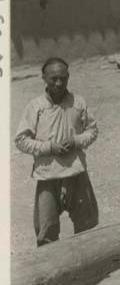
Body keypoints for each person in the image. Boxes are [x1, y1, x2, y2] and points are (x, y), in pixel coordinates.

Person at [15, 57, 99, 246]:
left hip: (76, 173)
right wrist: (49, 147)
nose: (59, 83)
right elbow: (21, 140)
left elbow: (93, 130)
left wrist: (76, 141)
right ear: (44, 78)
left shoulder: (78, 102)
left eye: (63, 78)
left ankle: (89, 270)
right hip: (48, 176)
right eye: (53, 79)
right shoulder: (35, 106)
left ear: (68, 77)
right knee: (46, 232)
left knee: (87, 226)